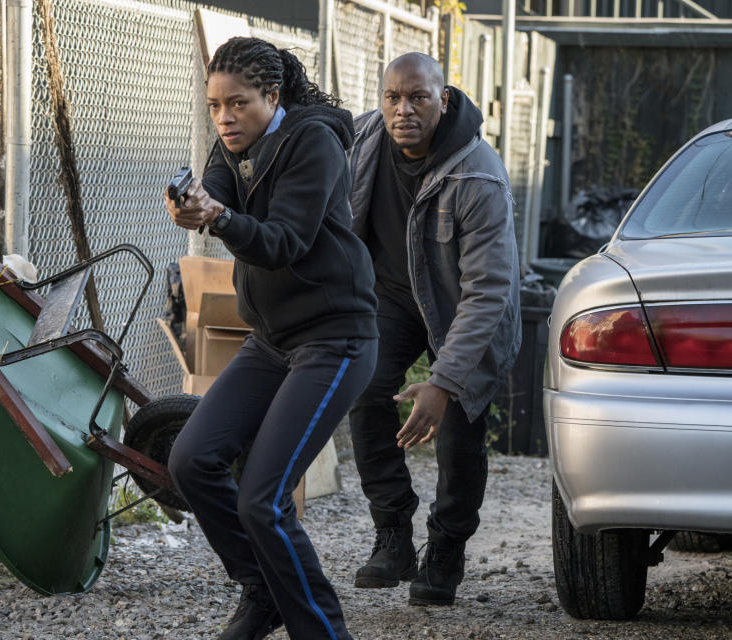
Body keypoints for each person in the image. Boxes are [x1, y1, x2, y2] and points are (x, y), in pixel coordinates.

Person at [165, 37, 378, 640]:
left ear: (272, 96)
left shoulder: (313, 141)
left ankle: (323, 631)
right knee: (190, 459)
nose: (224, 118)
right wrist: (193, 207)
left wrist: (218, 218)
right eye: (213, 106)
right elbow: (217, 194)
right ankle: (262, 589)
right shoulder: (232, 145)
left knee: (263, 498)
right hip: (272, 340)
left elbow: (282, 241)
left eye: (237, 104)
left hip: (335, 340)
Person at [347, 52, 522, 607]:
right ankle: (392, 530)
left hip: (464, 307)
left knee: (460, 425)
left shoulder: (479, 174)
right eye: (393, 97)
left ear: (443, 100)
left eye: (418, 97)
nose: (403, 110)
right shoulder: (363, 139)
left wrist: (443, 384)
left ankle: (446, 546)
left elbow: (488, 292)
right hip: (394, 294)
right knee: (364, 385)